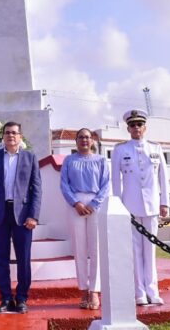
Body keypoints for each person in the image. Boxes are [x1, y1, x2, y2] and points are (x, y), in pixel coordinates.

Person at [0, 121, 42, 314]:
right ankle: (6, 298)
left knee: (23, 258)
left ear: (20, 137)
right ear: (3, 137)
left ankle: (22, 298)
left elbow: (37, 189)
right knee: (1, 258)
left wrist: (33, 215)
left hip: (23, 216)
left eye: (14, 133)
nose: (11, 136)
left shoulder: (30, 158)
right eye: (7, 133)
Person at [111, 109, 169, 306]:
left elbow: (163, 177)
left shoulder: (156, 148)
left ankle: (153, 290)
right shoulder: (120, 150)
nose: (136, 128)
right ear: (128, 128)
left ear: (145, 127)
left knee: (150, 250)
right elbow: (115, 180)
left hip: (152, 206)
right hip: (131, 207)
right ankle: (139, 292)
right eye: (132, 125)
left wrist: (164, 202)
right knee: (135, 252)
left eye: (139, 124)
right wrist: (118, 205)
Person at [60, 128, 110, 310]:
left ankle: (95, 290)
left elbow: (106, 184)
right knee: (79, 248)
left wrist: (94, 203)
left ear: (92, 141)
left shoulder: (101, 160)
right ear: (76, 141)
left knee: (95, 248)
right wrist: (76, 203)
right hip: (76, 204)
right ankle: (83, 289)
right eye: (81, 137)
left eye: (87, 137)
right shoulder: (69, 160)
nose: (84, 140)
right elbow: (64, 184)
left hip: (95, 203)